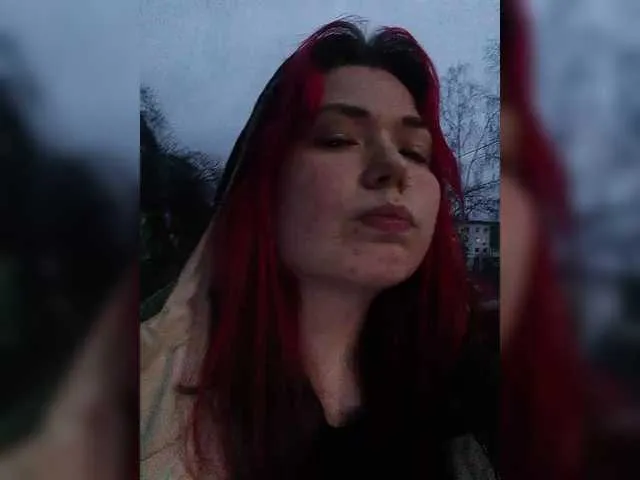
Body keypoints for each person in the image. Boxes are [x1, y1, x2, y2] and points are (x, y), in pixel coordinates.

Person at [141, 19, 497, 480]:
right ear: (262, 184)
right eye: (338, 139)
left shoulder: (481, 394)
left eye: (414, 151)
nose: (393, 168)